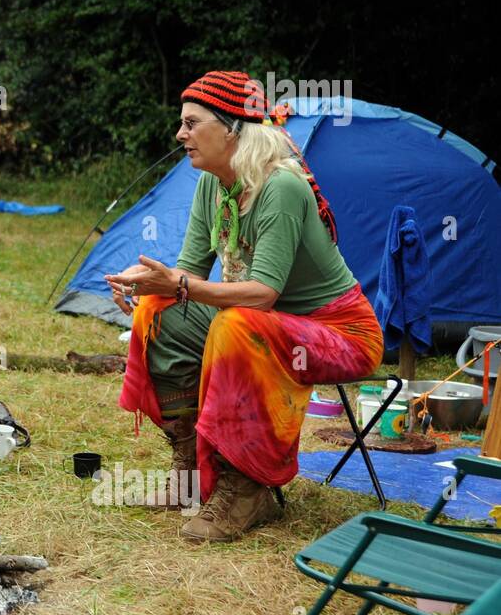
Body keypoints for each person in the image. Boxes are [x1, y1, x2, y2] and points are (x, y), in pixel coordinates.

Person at [107, 71, 383, 542]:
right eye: (182, 124)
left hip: (340, 333)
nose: (181, 135)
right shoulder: (212, 186)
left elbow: (263, 293)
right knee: (158, 310)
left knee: (238, 324)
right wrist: (150, 286)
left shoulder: (281, 186)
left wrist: (180, 285)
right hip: (266, 322)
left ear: (231, 128)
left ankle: (245, 486)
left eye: (192, 123)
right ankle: (191, 471)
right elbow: (186, 275)